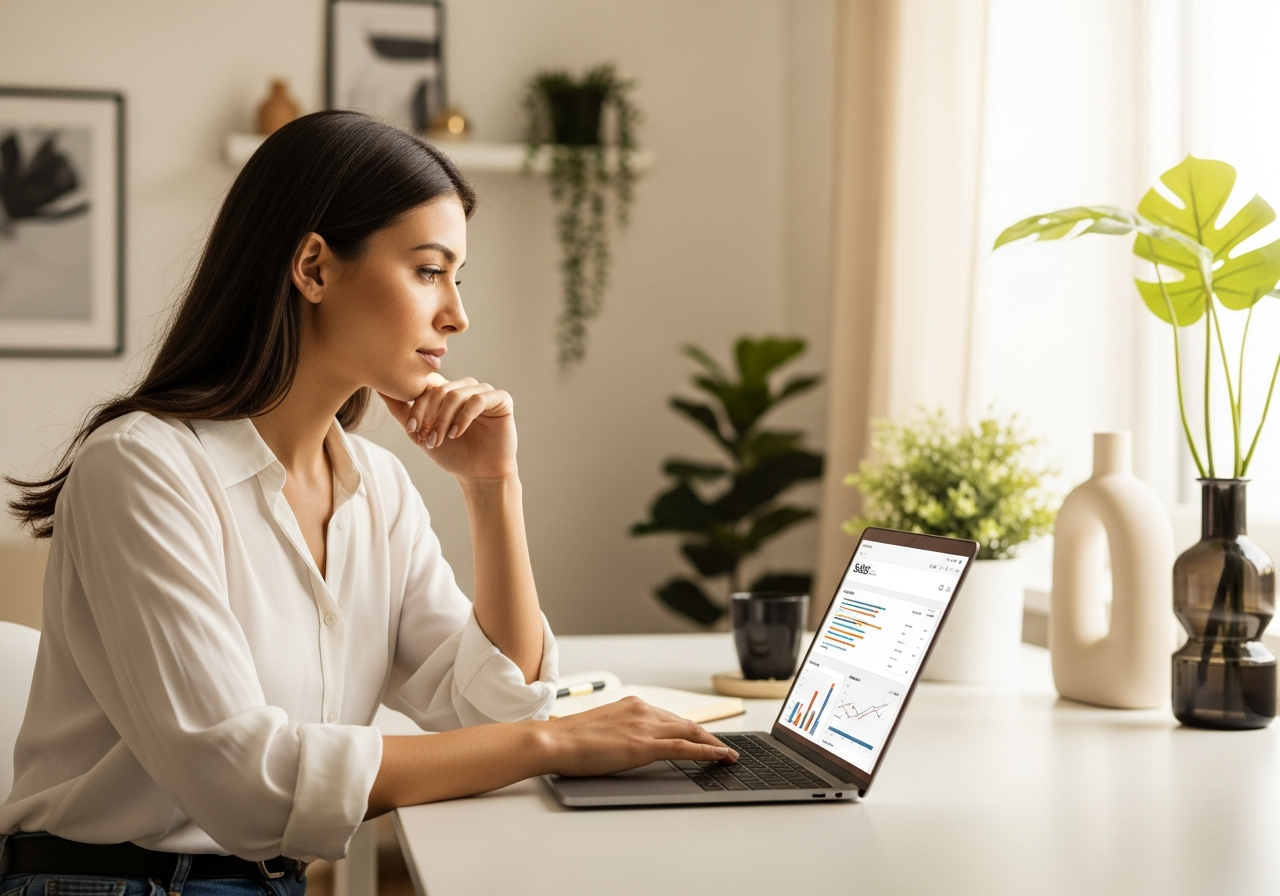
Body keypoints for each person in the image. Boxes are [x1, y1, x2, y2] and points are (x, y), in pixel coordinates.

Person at [0, 111, 737, 892]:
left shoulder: (374, 487)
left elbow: (495, 713)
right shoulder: (143, 468)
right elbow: (247, 784)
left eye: (457, 278)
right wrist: (560, 744)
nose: (456, 314)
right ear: (314, 268)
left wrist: (493, 489)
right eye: (428, 271)